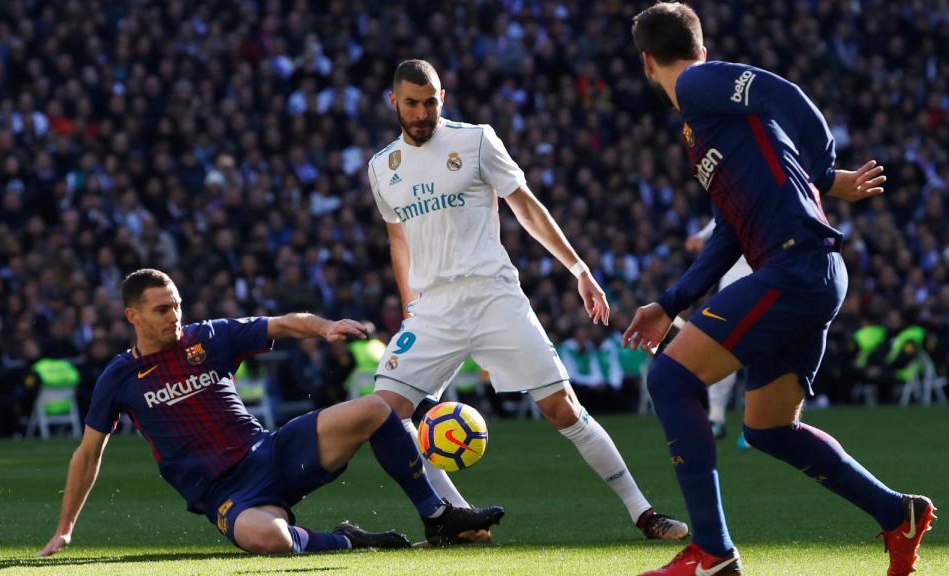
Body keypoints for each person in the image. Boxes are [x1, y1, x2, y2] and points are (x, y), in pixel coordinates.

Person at [624, 4, 935, 576]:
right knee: (769, 429)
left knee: (670, 377)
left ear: (647, 61)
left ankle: (711, 554)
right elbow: (727, 235)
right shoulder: (708, 121)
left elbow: (782, 91)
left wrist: (823, 167)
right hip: (807, 272)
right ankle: (897, 514)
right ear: (700, 39)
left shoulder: (698, 81)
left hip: (793, 268)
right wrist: (667, 303)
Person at [366, 59, 687, 541]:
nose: (421, 111)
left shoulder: (475, 141)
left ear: (443, 98)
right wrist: (409, 303)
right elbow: (399, 242)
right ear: (394, 102)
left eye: (430, 101)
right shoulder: (381, 168)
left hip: (493, 296)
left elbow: (526, 206)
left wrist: (579, 269)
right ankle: (456, 518)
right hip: (433, 308)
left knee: (563, 410)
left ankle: (644, 513)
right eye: (411, 102)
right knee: (384, 416)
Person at [38, 269, 503, 557]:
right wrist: (66, 530)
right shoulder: (120, 377)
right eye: (162, 310)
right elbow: (88, 453)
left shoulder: (207, 337)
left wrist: (324, 328)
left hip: (273, 450)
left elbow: (281, 323)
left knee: (376, 409)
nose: (174, 317)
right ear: (132, 316)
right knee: (270, 541)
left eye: (177, 305)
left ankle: (437, 517)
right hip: (226, 491)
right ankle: (348, 540)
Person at [685, 219, 752, 443]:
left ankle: (757, 425)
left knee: (760, 356)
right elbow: (723, 214)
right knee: (721, 353)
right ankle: (716, 418)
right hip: (732, 285)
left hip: (764, 280)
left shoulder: (774, 194)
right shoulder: (736, 193)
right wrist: (702, 236)